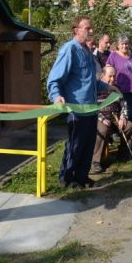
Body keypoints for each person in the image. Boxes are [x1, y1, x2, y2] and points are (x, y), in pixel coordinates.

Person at [47, 16, 118, 189]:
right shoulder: (69, 50)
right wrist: (56, 96)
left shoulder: (87, 51)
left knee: (87, 146)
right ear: (76, 30)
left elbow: (91, 82)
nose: (91, 31)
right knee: (75, 146)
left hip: (91, 109)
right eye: (87, 28)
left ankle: (81, 177)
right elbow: (54, 79)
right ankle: (67, 178)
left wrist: (109, 87)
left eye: (91, 28)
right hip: (76, 109)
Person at [91, 65, 132, 173]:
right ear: (102, 76)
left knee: (129, 126)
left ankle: (123, 154)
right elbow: (91, 107)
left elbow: (124, 104)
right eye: (110, 76)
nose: (112, 79)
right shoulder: (95, 88)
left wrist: (123, 117)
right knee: (102, 130)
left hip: (115, 117)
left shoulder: (116, 89)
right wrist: (101, 118)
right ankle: (96, 162)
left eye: (114, 76)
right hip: (100, 118)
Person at [107, 34, 132, 125]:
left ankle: (130, 134)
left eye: (127, 44)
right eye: (122, 44)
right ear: (118, 45)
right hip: (123, 90)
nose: (125, 46)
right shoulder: (113, 56)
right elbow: (108, 71)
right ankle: (128, 137)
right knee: (130, 114)